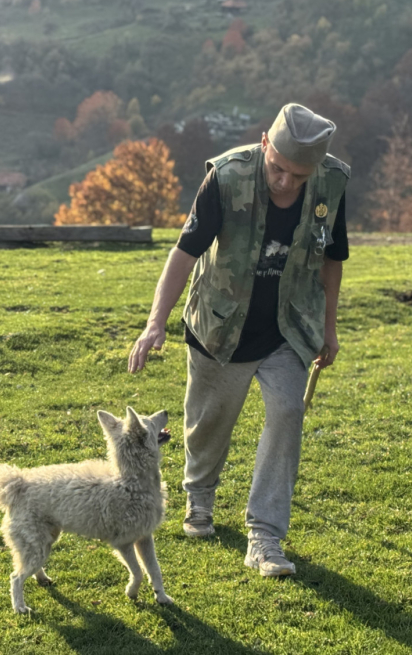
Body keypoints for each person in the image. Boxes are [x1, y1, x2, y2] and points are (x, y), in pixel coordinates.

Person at [128, 103, 350, 577]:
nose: (286, 182)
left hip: (288, 327)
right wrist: (155, 323)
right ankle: (200, 496)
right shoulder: (225, 178)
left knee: (288, 413)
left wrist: (329, 327)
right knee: (208, 423)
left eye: (298, 175)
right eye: (278, 169)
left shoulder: (332, 183)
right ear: (264, 144)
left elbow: (333, 257)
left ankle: (264, 535)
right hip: (221, 325)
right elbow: (184, 253)